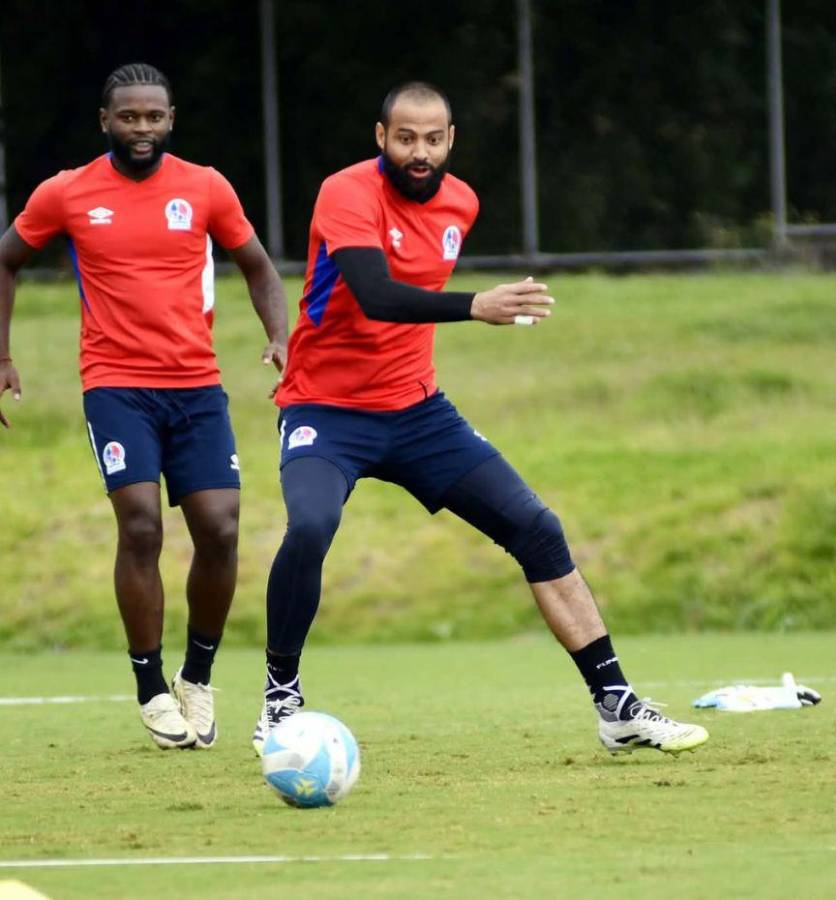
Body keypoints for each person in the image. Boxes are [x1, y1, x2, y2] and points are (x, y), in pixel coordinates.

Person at [253, 81, 708, 758]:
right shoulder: (346, 192)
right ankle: (280, 696)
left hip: (417, 412)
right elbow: (375, 296)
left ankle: (617, 705)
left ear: (451, 140)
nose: (419, 151)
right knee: (312, 524)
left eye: (433, 138)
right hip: (326, 408)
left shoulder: (460, 202)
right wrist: (475, 306)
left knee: (536, 528)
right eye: (405, 137)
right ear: (381, 138)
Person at [0, 64, 289, 750]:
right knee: (140, 527)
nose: (142, 129)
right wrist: (3, 355)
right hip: (115, 385)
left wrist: (280, 336)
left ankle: (197, 677)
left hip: (195, 387)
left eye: (153, 117)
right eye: (128, 117)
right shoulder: (67, 193)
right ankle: (150, 687)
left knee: (219, 529)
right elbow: (5, 258)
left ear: (171, 120)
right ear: (106, 121)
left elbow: (257, 264)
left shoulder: (205, 186)